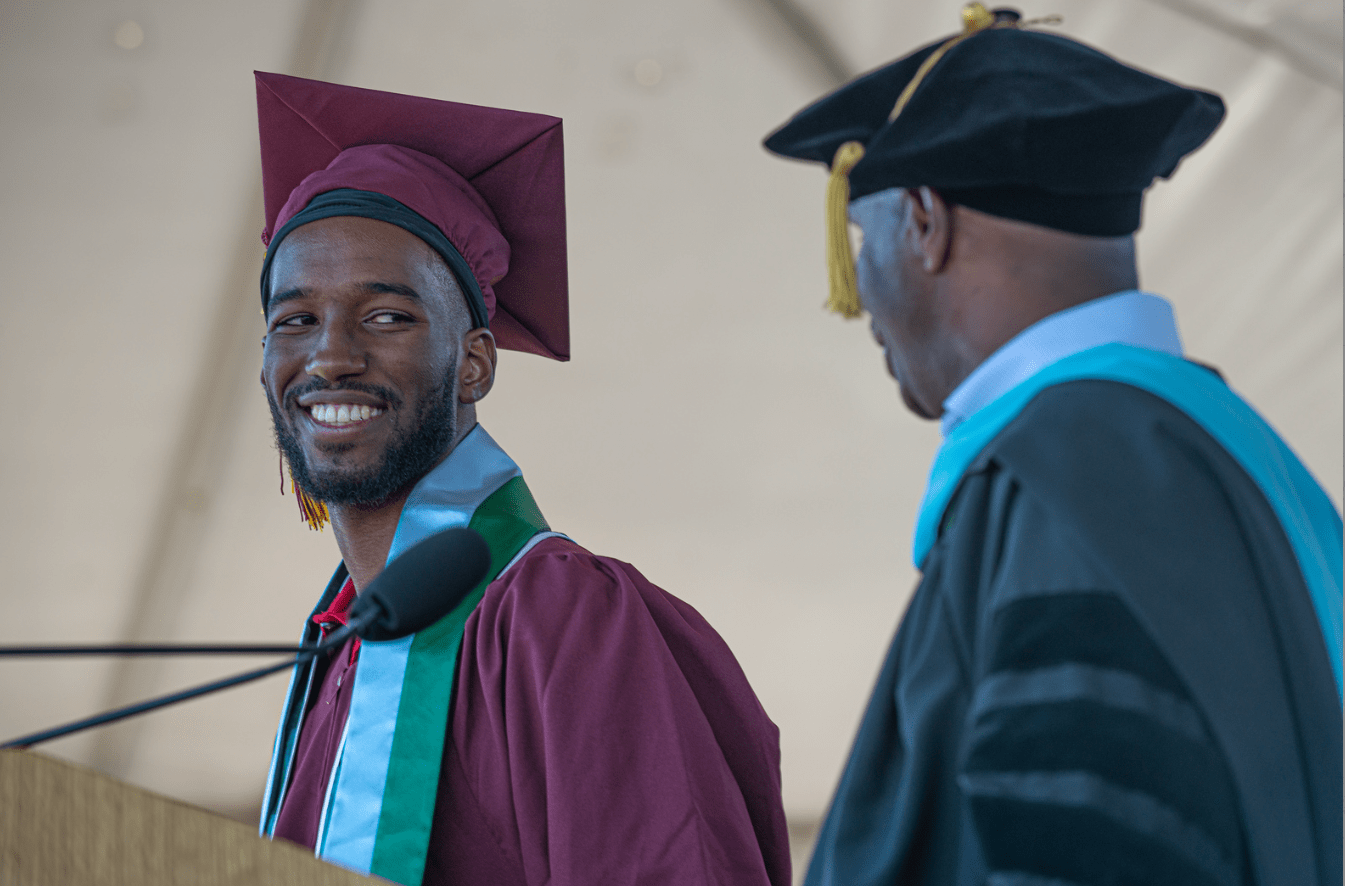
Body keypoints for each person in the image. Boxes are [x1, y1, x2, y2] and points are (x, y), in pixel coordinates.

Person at [763, 5, 1341, 885]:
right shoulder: (1245, 461)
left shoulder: (1076, 468)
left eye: (860, 237)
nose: (863, 303)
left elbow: (1087, 842)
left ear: (923, 222)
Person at [251, 72, 791, 886]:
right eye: (294, 321)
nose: (330, 356)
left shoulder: (563, 620)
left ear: (473, 363)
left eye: (388, 316)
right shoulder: (337, 656)